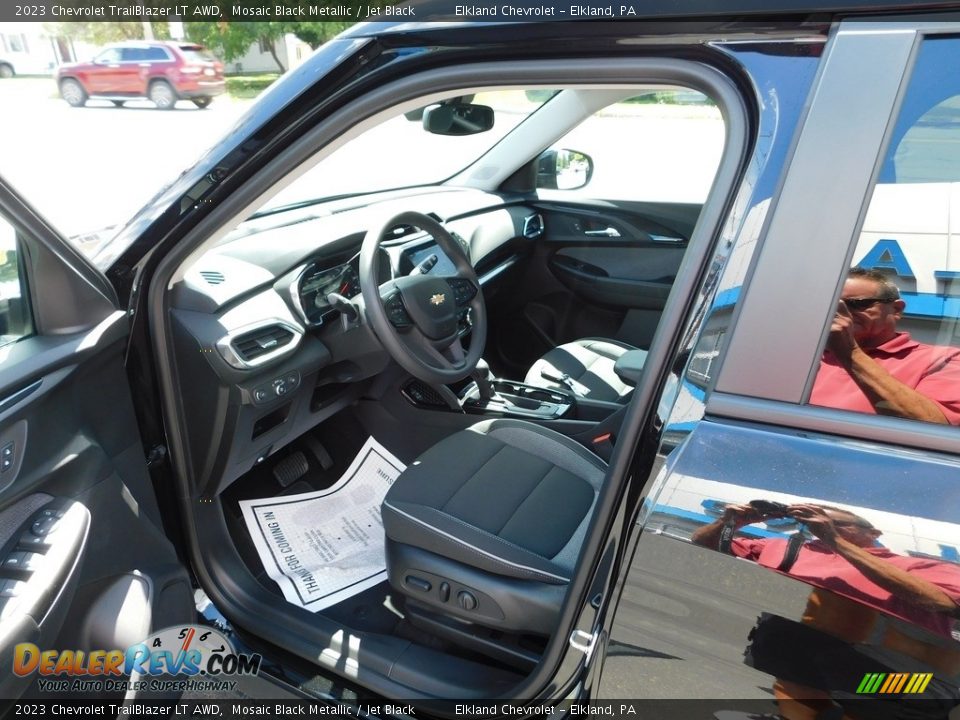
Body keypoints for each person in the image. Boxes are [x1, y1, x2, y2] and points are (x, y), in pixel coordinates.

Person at [693, 503, 960, 720]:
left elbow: (944, 602)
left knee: (871, 697)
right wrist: (732, 521)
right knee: (783, 651)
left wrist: (835, 539)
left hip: (899, 677)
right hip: (806, 658)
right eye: (813, 522)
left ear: (873, 533)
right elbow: (704, 543)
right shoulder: (788, 548)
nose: (819, 527)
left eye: (836, 523)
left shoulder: (913, 565)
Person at [810, 267, 960, 425]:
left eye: (856, 303)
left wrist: (850, 352)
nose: (842, 312)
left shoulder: (944, 360)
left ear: (896, 309)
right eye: (833, 303)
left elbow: (935, 426)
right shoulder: (810, 356)